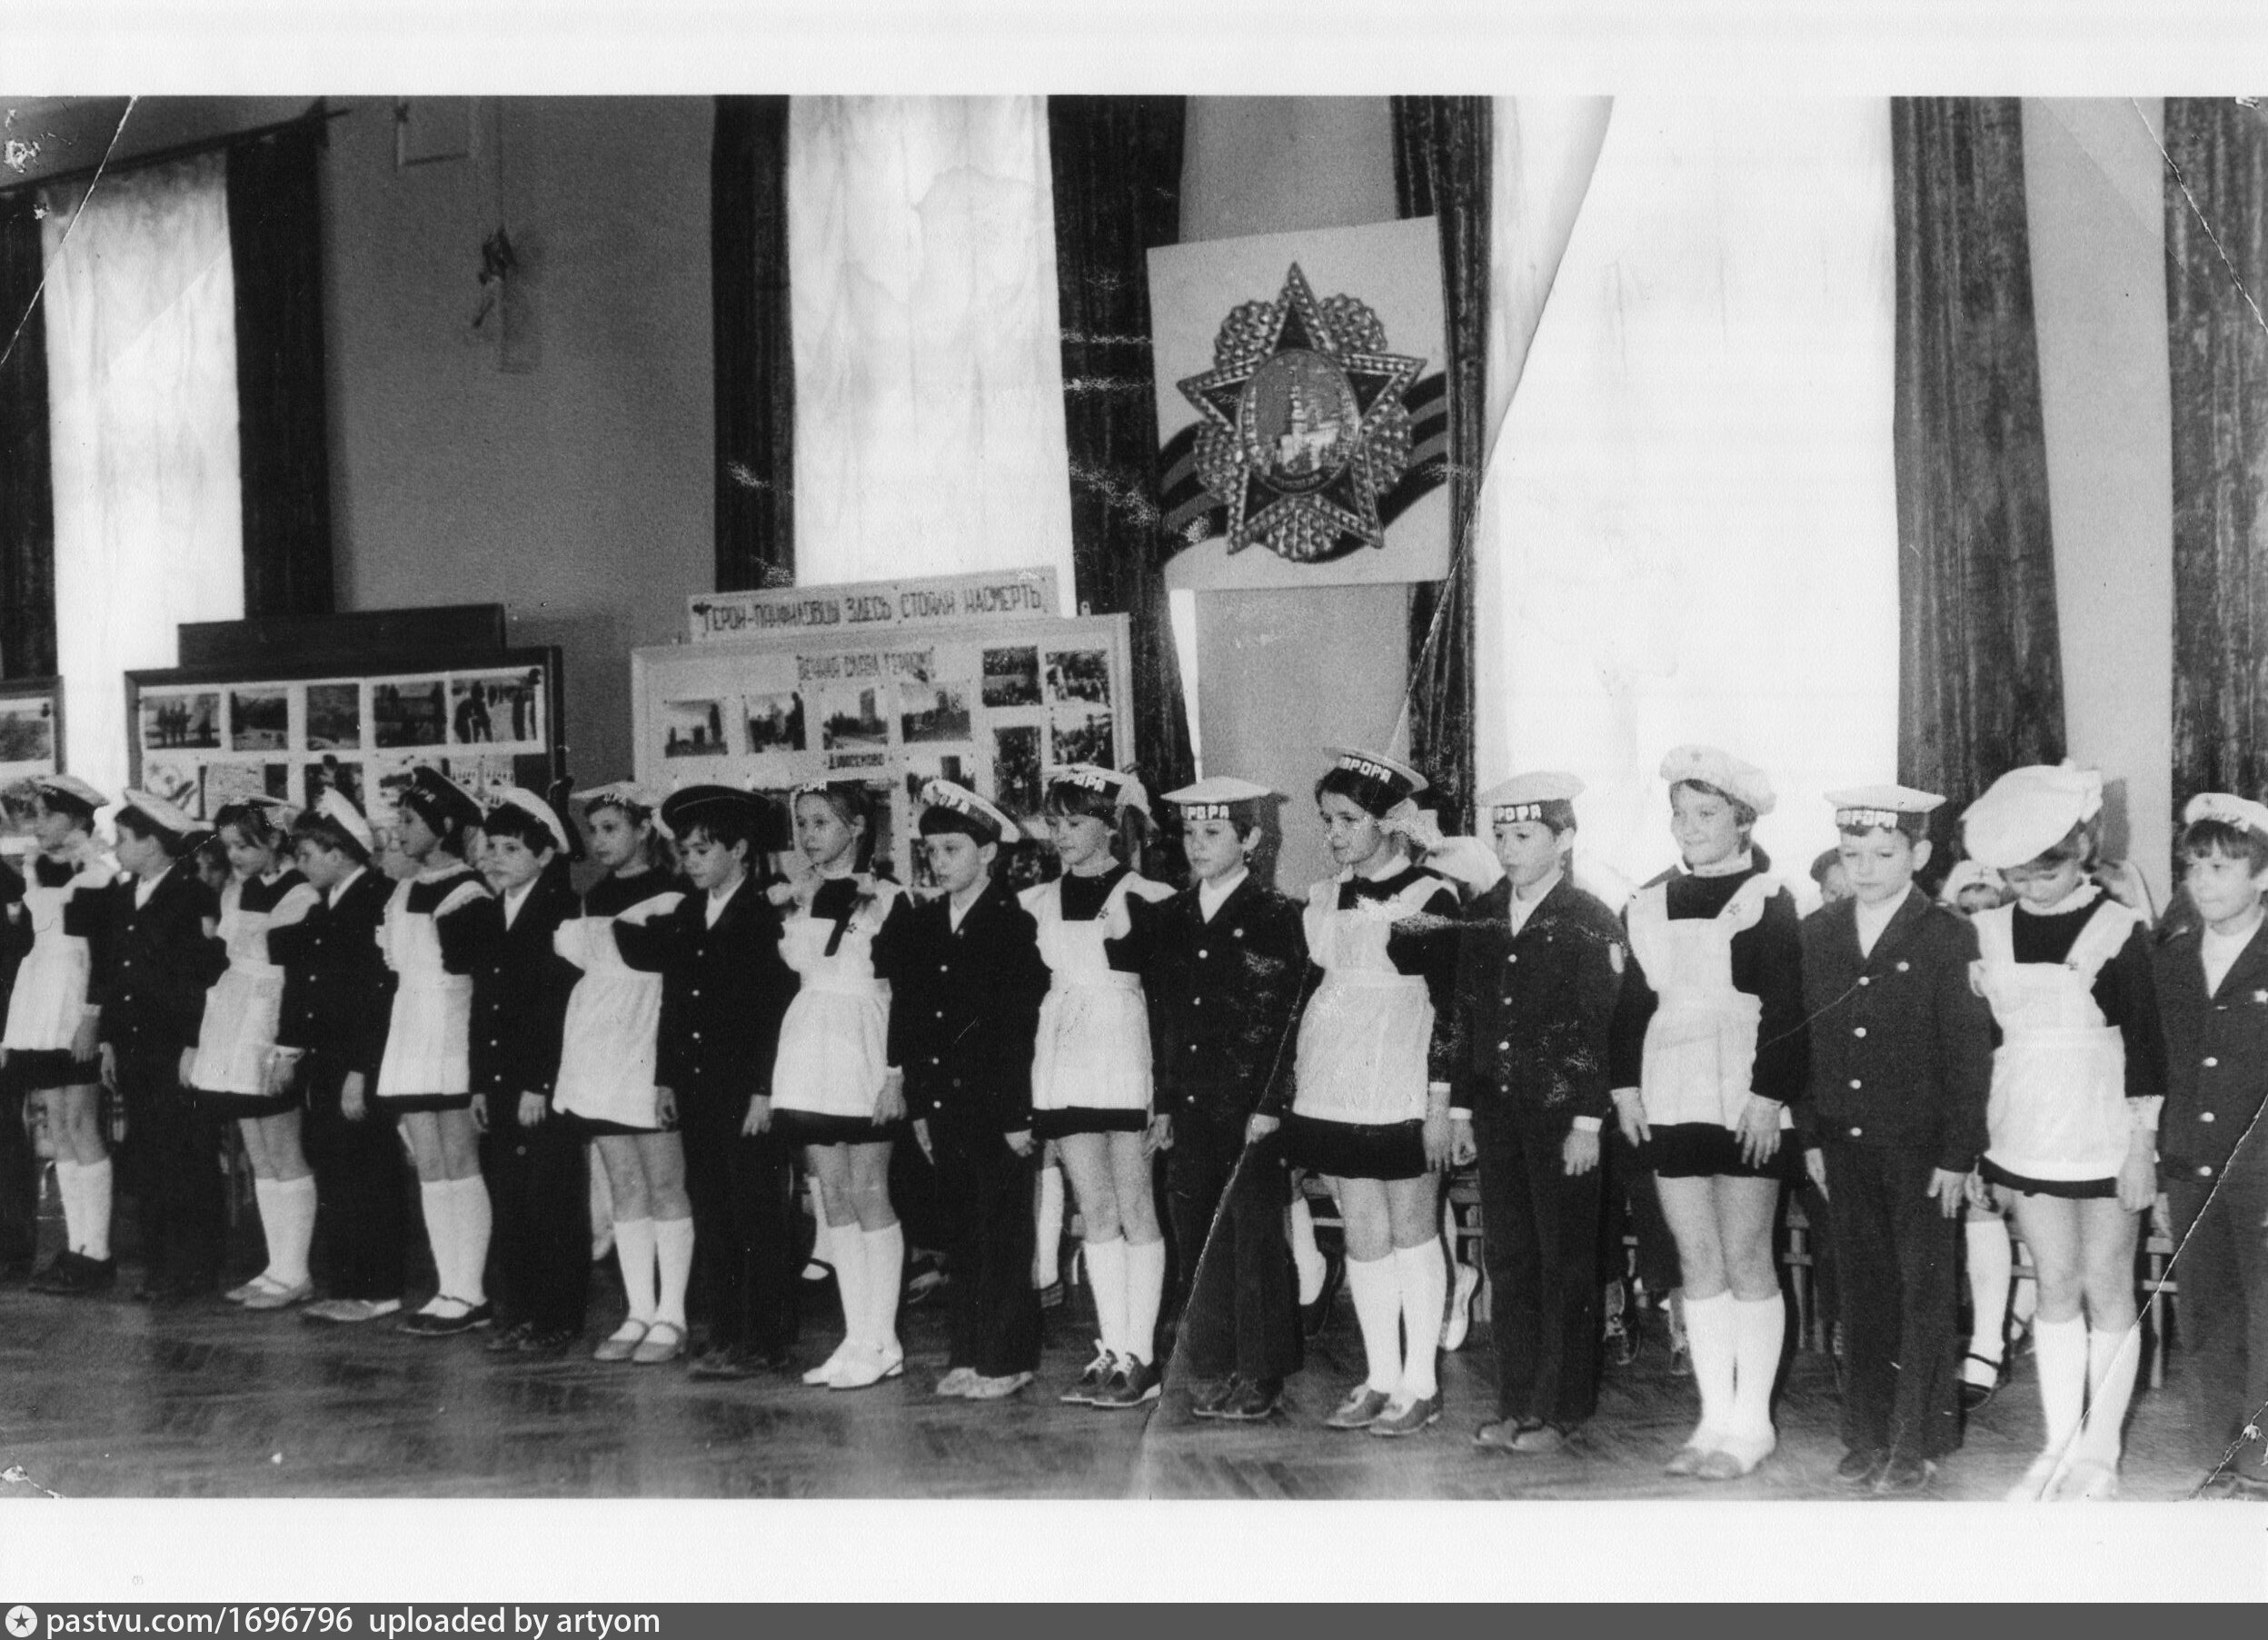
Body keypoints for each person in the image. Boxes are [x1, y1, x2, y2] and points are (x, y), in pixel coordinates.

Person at [1960, 762, 2166, 1502]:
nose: (2033, 887)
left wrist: (2141, 1146)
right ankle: (2058, 1443)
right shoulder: (1987, 929)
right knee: (2053, 1283)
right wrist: (1977, 1147)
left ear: (2081, 848)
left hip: (2104, 1128)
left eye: (2046, 871)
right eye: (2018, 875)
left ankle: (2099, 1455)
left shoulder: (2118, 928)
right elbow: (1983, 1045)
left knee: (2106, 1283)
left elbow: (2147, 1047)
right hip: (2024, 1128)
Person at [1608, 745, 1809, 1480]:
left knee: (1746, 1255)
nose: (1690, 827)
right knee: (1695, 1259)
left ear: (1742, 820)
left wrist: (1767, 1095)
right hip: (1671, 1088)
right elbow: (1632, 1004)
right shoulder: (1647, 901)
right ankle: (1712, 1416)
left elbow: (1788, 1008)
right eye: (1681, 814)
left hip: (1745, 1093)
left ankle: (1751, 1423)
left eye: (1707, 813)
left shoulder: (1772, 897)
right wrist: (1625, 1089)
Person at [1799, 785, 1994, 1494]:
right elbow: (1805, 1040)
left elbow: (1968, 1053)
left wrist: (1958, 1152)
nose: (1865, 867)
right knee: (1860, 1289)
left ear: (1919, 853)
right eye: (1852, 853)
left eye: (1883, 854)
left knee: (1923, 1291)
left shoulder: (1946, 934)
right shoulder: (1817, 931)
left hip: (1920, 1146)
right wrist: (1811, 1134)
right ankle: (1866, 1431)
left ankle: (1918, 1438)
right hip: (1842, 1140)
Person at [1119, 775, 1308, 1422]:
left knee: (1253, 1236)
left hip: (1251, 1107)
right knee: (1197, 1231)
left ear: (1249, 840)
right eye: (1189, 833)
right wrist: (1164, 1102)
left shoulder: (1277, 916)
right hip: (1192, 1102)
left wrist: (1271, 1103)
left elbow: (1287, 1019)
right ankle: (1214, 1360)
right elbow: (1164, 1016)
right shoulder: (1170, 916)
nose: (1197, 845)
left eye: (1213, 832)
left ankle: (1260, 1370)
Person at [1288, 750, 1464, 1438]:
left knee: (1412, 1228)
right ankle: (1381, 1375)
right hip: (1335, 1081)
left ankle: (1421, 1383)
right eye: (1327, 819)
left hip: (1401, 1081)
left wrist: (1441, 1103)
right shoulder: (1323, 897)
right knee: (1363, 1231)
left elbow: (1453, 1008)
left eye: (1348, 819)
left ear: (1390, 822)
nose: (1333, 833)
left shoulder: (1431, 897)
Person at [1454, 772, 1626, 1456]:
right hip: (1498, 1113)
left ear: (1565, 839)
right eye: (1500, 834)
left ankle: (1560, 1408)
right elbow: (1465, 1014)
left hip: (1562, 1121)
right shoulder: (1483, 913)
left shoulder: (1590, 917)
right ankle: (1515, 1400)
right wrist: (1460, 1107)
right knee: (1510, 1258)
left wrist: (1587, 1121)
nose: (1507, 847)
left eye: (1523, 835)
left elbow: (1598, 1027)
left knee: (1565, 1263)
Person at [613, 784, 801, 1378]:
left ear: (739, 849)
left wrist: (764, 1090)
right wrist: (666, 1080)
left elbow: (774, 1010)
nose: (691, 862)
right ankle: (724, 1332)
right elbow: (674, 1002)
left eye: (702, 850)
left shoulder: (764, 914)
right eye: (685, 852)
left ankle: (765, 1338)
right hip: (697, 1088)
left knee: (757, 1214)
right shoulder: (689, 913)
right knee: (713, 1212)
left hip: (746, 1093)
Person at [873, 780, 1050, 1401]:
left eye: (953, 849)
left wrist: (1017, 1114)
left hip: (996, 1107)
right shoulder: (925, 924)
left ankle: (1006, 1358)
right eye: (932, 851)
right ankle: (968, 1353)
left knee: (1003, 1233)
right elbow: (913, 1015)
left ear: (989, 852)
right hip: (945, 1104)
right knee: (963, 1234)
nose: (939, 862)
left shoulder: (1011, 923)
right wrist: (920, 1104)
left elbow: (1016, 1027)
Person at [1025, 765, 1177, 1411]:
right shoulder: (1034, 901)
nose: (1061, 834)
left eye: (1075, 821)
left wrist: (1165, 1095)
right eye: (1053, 822)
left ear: (1112, 826)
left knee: (1136, 1205)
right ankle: (1111, 1346)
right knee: (1095, 1209)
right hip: (1064, 1058)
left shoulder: (1149, 895)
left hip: (1124, 1054)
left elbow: (1167, 1002)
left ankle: (1141, 1355)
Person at [768, 781, 913, 1391]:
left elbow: (905, 991)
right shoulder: (791, 896)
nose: (808, 834)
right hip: (809, 1045)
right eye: (802, 822)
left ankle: (884, 1339)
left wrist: (895, 1073)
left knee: (869, 1188)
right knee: (832, 1195)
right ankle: (856, 1337)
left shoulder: (888, 897)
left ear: (856, 827)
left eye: (822, 822)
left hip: (864, 1044)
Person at [551, 783, 693, 1367]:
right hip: (600, 1045)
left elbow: (672, 978)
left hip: (647, 1039)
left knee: (664, 1183)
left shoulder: (675, 891)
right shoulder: (594, 894)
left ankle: (672, 1314)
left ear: (643, 830)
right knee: (625, 1184)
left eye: (611, 828)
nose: (599, 841)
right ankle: (638, 1309)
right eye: (593, 831)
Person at [2151, 793, 2268, 1498]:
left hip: (2263, 1170)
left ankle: (2262, 1460)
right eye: (2194, 865)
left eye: (2222, 866)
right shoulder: (2171, 957)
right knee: (2208, 1312)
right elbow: (2164, 1065)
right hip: (2192, 1162)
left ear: (2262, 875)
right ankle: (2220, 1453)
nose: (2203, 880)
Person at [372, 767, 498, 1337]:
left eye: (408, 820)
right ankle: (447, 1286)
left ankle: (470, 1292)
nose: (398, 830)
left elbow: (471, 970)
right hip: (411, 1029)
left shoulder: (469, 891)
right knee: (429, 1165)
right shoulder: (403, 888)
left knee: (458, 1160)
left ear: (443, 826)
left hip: (451, 1028)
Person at [276, 792, 407, 1325]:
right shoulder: (330, 901)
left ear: (339, 852)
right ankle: (347, 1284)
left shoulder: (376, 899)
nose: (300, 864)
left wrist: (360, 1070)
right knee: (336, 1171)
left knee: (368, 1174)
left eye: (307, 854)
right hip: (327, 1059)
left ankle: (380, 1288)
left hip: (357, 1062)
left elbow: (378, 994)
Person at [189, 798, 323, 1309]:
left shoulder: (300, 892)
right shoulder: (237, 889)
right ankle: (275, 1266)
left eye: (245, 845)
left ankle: (296, 1272)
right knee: (259, 1152)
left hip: (272, 1020)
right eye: (228, 847)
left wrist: (287, 1047)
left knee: (284, 1148)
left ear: (274, 841)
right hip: (234, 1019)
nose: (235, 856)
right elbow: (224, 955)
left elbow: (289, 968)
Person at [468, 789, 587, 1357]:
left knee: (550, 1198)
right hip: (499, 1080)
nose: (495, 858)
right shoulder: (492, 912)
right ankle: (517, 1311)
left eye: (511, 848)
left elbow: (557, 1007)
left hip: (540, 1084)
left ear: (544, 855)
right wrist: (478, 1082)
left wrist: (540, 1082)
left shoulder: (561, 911)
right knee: (510, 1199)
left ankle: (556, 1316)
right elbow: (483, 1003)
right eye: (491, 846)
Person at [96, 791, 228, 1301]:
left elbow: (202, 978)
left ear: (152, 843)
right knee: (149, 1155)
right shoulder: (123, 894)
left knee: (186, 1155)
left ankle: (195, 1268)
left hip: (174, 1045)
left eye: (123, 839)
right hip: (134, 1043)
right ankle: (161, 1266)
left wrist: (194, 1044)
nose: (116, 848)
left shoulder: (192, 896)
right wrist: (109, 1039)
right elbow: (115, 972)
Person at [6, 776, 119, 1295]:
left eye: (49, 815)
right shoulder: (38, 867)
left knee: (81, 1123)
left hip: (75, 1005)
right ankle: (77, 1247)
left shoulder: (97, 873)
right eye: (37, 814)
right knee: (57, 1125)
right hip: (40, 1003)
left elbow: (104, 953)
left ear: (75, 819)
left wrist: (92, 1018)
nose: (39, 824)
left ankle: (98, 1254)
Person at [1937, 857, 2029, 1409]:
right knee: (1978, 1204)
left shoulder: (2018, 958)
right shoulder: (1946, 965)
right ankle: (1990, 1340)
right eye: (1965, 910)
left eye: (1987, 909)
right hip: (1968, 1101)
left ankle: (2006, 1329)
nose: (1976, 921)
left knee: (2015, 1205)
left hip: (2026, 1093)